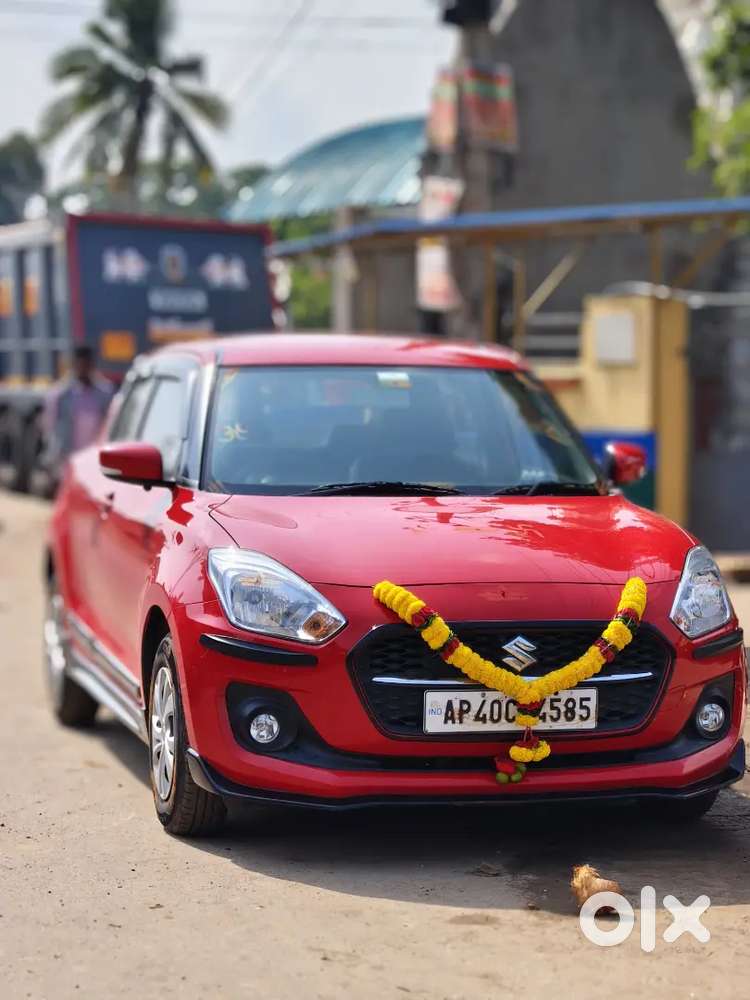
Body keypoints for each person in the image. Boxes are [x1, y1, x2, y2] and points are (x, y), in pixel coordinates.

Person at [43, 346, 113, 482]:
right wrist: (52, 457)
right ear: (74, 366)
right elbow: (51, 428)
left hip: (94, 459)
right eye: (80, 365)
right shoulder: (61, 395)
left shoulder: (105, 394)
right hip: (68, 458)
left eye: (86, 365)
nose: (83, 369)